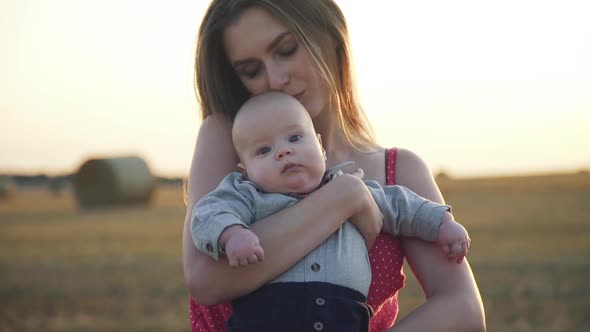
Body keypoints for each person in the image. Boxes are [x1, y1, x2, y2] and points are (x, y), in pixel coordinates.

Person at [182, 1, 486, 331]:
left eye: (286, 49)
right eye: (251, 70)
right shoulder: (227, 139)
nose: (276, 78)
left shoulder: (400, 169)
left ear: (329, 35)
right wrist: (343, 198)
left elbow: (464, 309)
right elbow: (206, 279)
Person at [190, 92, 470, 331]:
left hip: (344, 316)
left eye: (295, 137)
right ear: (245, 171)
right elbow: (209, 212)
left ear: (321, 148)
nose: (284, 151)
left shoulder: (353, 186)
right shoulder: (248, 195)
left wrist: (443, 223)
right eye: (264, 150)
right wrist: (232, 234)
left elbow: (403, 206)